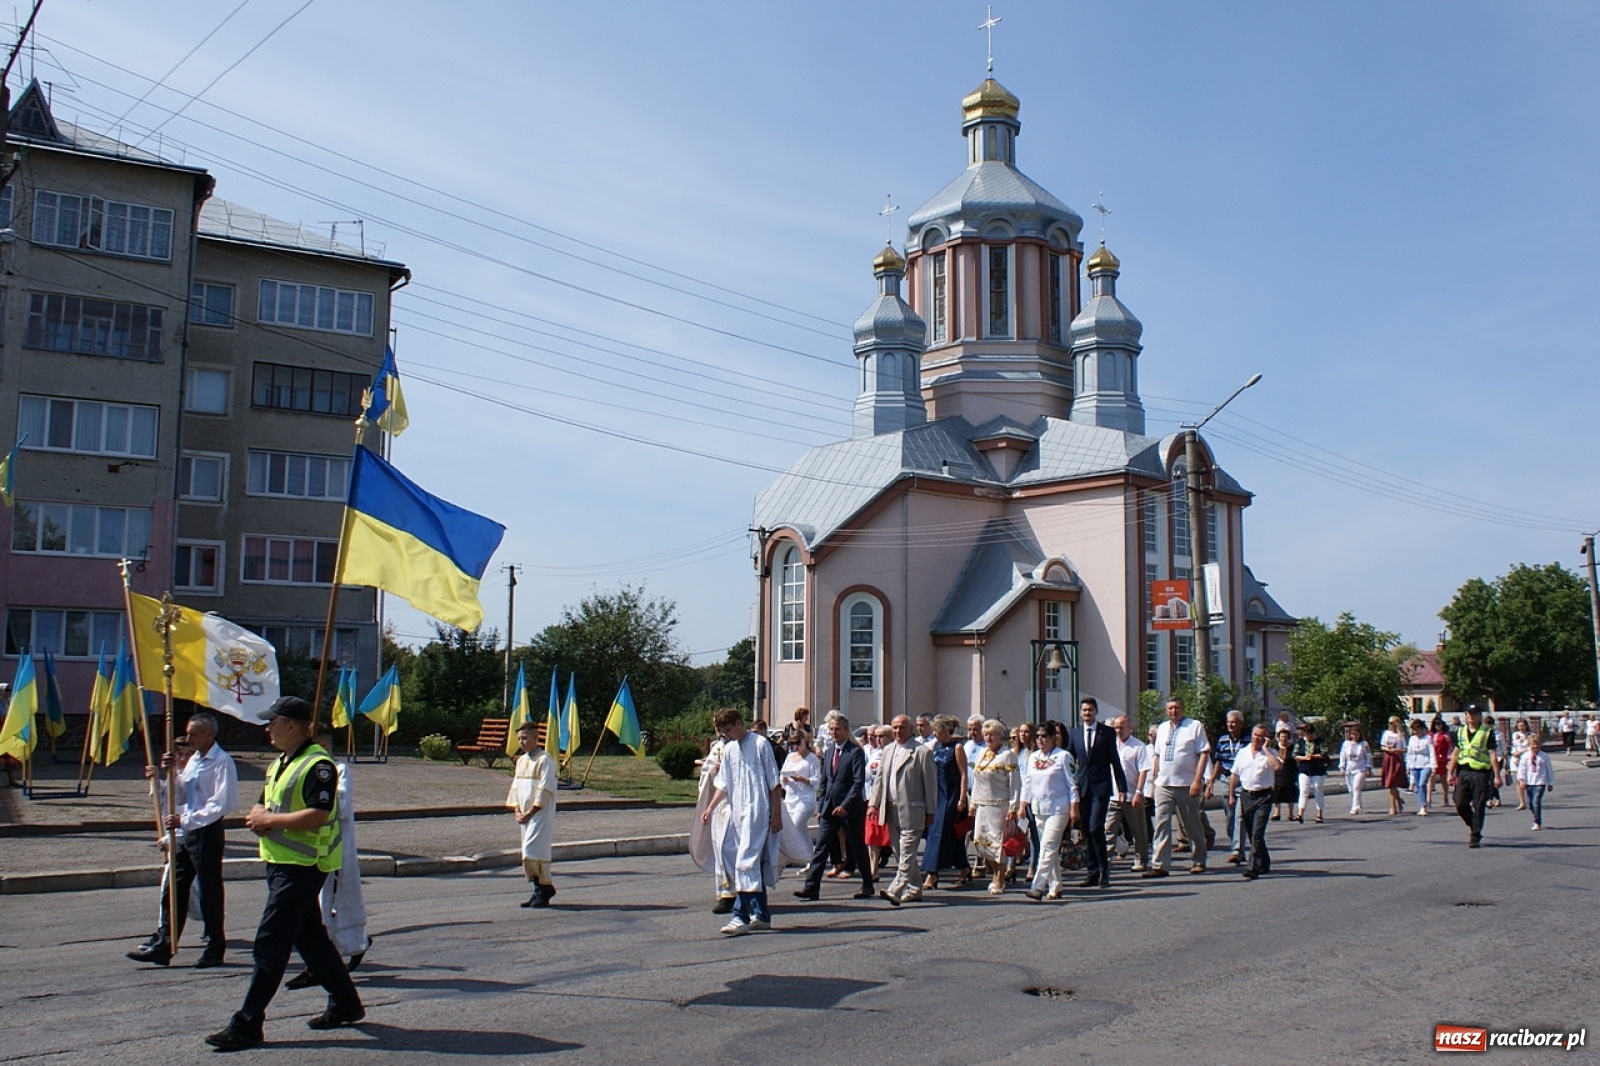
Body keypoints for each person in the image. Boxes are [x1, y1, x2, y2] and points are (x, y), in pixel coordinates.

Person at [204, 697, 364, 1051]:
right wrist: (257, 815)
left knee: (270, 942)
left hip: (304, 866)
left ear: (291, 726)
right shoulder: (280, 762)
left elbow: (318, 815)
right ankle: (346, 1003)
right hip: (280, 862)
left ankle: (248, 1022)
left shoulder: (318, 765)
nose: (267, 728)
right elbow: (264, 800)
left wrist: (269, 821)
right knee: (310, 939)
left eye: (272, 722)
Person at [128, 713, 237, 968]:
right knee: (174, 889)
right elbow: (181, 793)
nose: (189, 739)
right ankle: (165, 944)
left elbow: (222, 803)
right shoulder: (194, 761)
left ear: (209, 735)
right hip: (186, 830)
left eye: (194, 734)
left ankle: (215, 946)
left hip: (206, 831)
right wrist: (168, 774)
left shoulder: (222, 762)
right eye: (188, 733)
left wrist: (186, 820)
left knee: (209, 891)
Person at [284, 760, 370, 992]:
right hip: (306, 850)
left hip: (333, 847)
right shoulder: (297, 769)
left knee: (328, 904)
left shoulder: (338, 770)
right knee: (313, 909)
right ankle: (326, 963)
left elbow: (339, 804)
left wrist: (310, 807)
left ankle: (323, 965)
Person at [700, 707, 781, 936]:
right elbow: (723, 783)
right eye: (722, 732)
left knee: (745, 861)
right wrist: (710, 807)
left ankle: (740, 916)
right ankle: (761, 914)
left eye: (728, 730)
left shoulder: (760, 744)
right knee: (749, 861)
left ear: (738, 724)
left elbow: (774, 782)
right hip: (737, 812)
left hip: (757, 811)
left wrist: (776, 814)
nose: (726, 736)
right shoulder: (730, 749)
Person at [794, 711, 873, 901]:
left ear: (846, 730)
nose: (834, 733)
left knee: (857, 846)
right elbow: (824, 781)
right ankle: (811, 887)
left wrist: (846, 805)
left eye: (837, 729)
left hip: (850, 809)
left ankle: (867, 885)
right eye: (831, 729)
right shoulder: (829, 752)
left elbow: (857, 782)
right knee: (821, 846)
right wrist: (821, 807)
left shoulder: (855, 752)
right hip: (829, 807)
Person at [867, 714, 938, 905]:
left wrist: (931, 811)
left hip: (913, 810)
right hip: (890, 809)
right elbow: (880, 780)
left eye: (902, 728)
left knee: (907, 852)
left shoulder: (921, 752)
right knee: (900, 851)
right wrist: (873, 803)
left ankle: (895, 889)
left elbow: (930, 785)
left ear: (910, 730)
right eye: (895, 728)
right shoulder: (888, 750)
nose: (898, 731)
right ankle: (915, 889)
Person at [1064, 696, 1128, 888]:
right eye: (1084, 710)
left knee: (1095, 828)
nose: (1087, 713)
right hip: (1082, 789)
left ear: (1096, 712)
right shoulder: (1074, 734)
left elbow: (1115, 762)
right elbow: (1068, 761)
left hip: (1101, 788)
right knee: (1086, 831)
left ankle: (1104, 870)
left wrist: (1122, 787)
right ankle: (1092, 872)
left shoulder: (1106, 733)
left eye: (1090, 710)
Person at [1145, 697, 1210, 878]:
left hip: (1186, 784)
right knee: (1161, 824)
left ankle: (1199, 860)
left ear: (1183, 708)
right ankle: (1160, 864)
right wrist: (1154, 779)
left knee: (1191, 824)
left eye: (1177, 707)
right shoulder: (1163, 728)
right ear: (1166, 710)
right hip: (1164, 784)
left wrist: (1198, 780)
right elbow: (1157, 755)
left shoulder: (1194, 726)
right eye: (1170, 708)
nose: (1174, 711)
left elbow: (1204, 753)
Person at [1020, 721, 1079, 901]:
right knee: (1049, 849)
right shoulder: (1033, 757)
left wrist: (1074, 808)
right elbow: (1028, 782)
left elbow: (1073, 784)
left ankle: (1037, 887)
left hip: (1059, 807)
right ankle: (1056, 886)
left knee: (1047, 846)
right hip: (1039, 808)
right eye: (1037, 736)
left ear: (1054, 737)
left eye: (1044, 736)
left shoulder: (1063, 756)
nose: (1040, 739)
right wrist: (1023, 804)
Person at [507, 719, 558, 907]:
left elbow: (546, 789)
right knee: (529, 851)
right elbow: (515, 788)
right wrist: (517, 810)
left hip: (539, 814)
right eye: (519, 738)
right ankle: (540, 889)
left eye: (525, 738)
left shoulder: (545, 760)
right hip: (525, 815)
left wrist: (531, 811)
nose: (522, 742)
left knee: (532, 850)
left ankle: (544, 888)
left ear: (536, 738)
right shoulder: (521, 761)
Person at [969, 718, 1020, 895]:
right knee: (980, 842)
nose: (989, 738)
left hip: (1000, 807)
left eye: (992, 734)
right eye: (986, 734)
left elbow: (1015, 783)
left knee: (998, 844)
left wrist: (1013, 807)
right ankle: (996, 870)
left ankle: (999, 877)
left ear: (1000, 736)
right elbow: (976, 779)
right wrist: (973, 802)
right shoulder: (982, 753)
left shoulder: (1008, 756)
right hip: (983, 805)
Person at [920, 714, 970, 890]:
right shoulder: (936, 747)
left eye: (937, 730)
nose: (934, 733)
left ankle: (932, 873)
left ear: (945, 730)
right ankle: (963, 866)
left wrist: (962, 798)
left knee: (940, 832)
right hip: (937, 794)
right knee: (944, 833)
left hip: (952, 794)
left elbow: (964, 774)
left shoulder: (957, 748)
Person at [1228, 725, 1283, 880]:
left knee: (1258, 832)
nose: (1257, 738)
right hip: (1246, 794)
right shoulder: (1243, 753)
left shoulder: (1270, 754)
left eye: (1261, 736)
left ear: (1266, 738)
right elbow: (1234, 775)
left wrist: (1266, 750)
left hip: (1264, 796)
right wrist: (1231, 795)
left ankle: (1253, 867)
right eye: (1255, 735)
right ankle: (1264, 862)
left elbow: (1278, 766)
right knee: (1252, 833)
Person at [690, 730, 736, 914]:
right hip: (719, 805)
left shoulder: (739, 746)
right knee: (720, 849)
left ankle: (743, 891)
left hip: (736, 803)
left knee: (730, 848)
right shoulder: (717, 747)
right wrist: (712, 771)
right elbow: (705, 771)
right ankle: (726, 893)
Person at [1449, 705, 1500, 849]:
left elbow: (1492, 754)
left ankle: (1475, 835)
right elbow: (1456, 752)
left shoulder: (1487, 732)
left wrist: (1497, 776)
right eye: (1468, 713)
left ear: (1479, 716)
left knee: (1479, 804)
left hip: (1481, 772)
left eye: (1474, 713)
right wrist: (1450, 772)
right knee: (1459, 802)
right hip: (1463, 771)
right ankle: (1473, 824)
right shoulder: (1459, 732)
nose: (1471, 716)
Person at [1105, 715, 1151, 872]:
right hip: (1114, 795)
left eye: (1121, 727)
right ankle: (1105, 860)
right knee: (1109, 829)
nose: (1118, 730)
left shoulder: (1138, 746)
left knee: (1138, 829)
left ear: (1129, 728)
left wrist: (1139, 792)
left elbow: (1144, 771)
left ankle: (1141, 858)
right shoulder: (1111, 745)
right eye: (1116, 727)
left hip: (1132, 795)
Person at [1206, 710, 1248, 863]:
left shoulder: (1248, 741)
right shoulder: (1223, 740)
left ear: (1241, 723)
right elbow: (1218, 762)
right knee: (1230, 817)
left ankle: (1237, 850)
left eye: (1234, 722)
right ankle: (1235, 844)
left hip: (1242, 781)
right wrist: (1211, 782)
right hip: (1225, 779)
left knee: (1240, 816)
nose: (1230, 725)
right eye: (1229, 722)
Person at [777, 728, 821, 866]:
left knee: (795, 826)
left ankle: (788, 857)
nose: (795, 746)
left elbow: (816, 780)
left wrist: (802, 779)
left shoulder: (812, 758)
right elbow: (782, 773)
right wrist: (783, 779)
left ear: (804, 741)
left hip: (805, 798)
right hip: (791, 797)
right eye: (792, 743)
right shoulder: (790, 756)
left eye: (797, 743)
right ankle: (810, 859)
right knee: (801, 830)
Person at [861, 724, 892, 881]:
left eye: (881, 736)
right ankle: (873, 869)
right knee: (872, 836)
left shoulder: (892, 752)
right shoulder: (866, 750)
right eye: (874, 735)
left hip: (889, 800)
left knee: (892, 837)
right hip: (871, 798)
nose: (877, 739)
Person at [1293, 722, 1329, 824]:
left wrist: (1314, 756)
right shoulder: (1300, 742)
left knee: (1318, 791)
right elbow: (1294, 755)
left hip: (1318, 769)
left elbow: (1324, 753)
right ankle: (1300, 813)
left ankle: (1319, 814)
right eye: (1307, 734)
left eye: (1310, 734)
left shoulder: (1320, 742)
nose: (1309, 736)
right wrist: (1304, 757)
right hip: (1304, 769)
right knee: (1303, 791)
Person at [1517, 735, 1553, 831]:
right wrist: (1521, 780)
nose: (1535, 746)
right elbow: (1521, 769)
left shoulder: (1544, 756)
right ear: (1529, 744)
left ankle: (1537, 822)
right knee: (1530, 803)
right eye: (1533, 744)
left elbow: (1549, 769)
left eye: (1537, 744)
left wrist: (1550, 783)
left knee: (1536, 801)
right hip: (1529, 781)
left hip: (1540, 781)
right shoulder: (1525, 756)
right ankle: (1535, 816)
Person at [1339, 723, 1371, 815]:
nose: (1355, 736)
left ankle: (1355, 807)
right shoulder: (1346, 744)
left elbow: (1368, 756)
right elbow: (1342, 755)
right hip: (1349, 769)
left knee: (1356, 787)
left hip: (1360, 769)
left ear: (1360, 735)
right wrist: (1342, 767)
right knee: (1351, 789)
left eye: (1356, 734)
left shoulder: (1364, 744)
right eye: (1353, 734)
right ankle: (1358, 803)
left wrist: (1368, 768)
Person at [1405, 718, 1434, 817]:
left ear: (1422, 729)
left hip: (1425, 764)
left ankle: (1424, 805)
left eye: (1418, 729)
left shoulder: (1428, 738)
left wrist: (1433, 766)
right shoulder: (1412, 739)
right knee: (1418, 785)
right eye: (1414, 730)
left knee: (1422, 784)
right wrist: (1408, 766)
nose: (1416, 732)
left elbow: (1432, 752)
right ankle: (1423, 805)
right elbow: (1409, 753)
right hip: (1414, 764)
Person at [1380, 716, 1408, 815]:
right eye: (1389, 723)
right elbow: (1382, 746)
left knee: (1393, 782)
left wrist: (1395, 750)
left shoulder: (1400, 735)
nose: (1389, 725)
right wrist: (1388, 749)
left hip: (1397, 759)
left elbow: (1404, 749)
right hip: (1388, 758)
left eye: (1391, 723)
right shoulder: (1386, 733)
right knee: (1390, 783)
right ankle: (1397, 801)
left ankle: (1394, 805)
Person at [1271, 728, 1298, 821]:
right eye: (1282, 736)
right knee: (1277, 793)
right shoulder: (1275, 748)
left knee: (1290, 793)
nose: (1284, 739)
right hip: (1277, 774)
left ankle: (1290, 814)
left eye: (1286, 737)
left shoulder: (1293, 748)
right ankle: (1276, 813)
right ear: (1278, 738)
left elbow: (1296, 759)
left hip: (1290, 773)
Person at [1429, 717, 1453, 808]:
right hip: (1433, 758)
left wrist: (1449, 758)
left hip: (1442, 758)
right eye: (1436, 725)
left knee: (1443, 778)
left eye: (1440, 724)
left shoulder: (1445, 735)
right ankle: (1429, 797)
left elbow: (1450, 747)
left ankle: (1445, 797)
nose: (1438, 726)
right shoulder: (1431, 735)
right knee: (1431, 777)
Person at [1508, 719, 1531, 810]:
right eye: (1519, 726)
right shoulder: (1515, 735)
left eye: (1522, 725)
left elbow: (1531, 747)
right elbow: (1513, 747)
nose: (1521, 727)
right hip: (1516, 760)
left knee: (1528, 781)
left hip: (1527, 759)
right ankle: (1522, 802)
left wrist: (1521, 752)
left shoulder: (1530, 735)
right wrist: (1514, 754)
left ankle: (1531, 800)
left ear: (1526, 726)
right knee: (1518, 781)